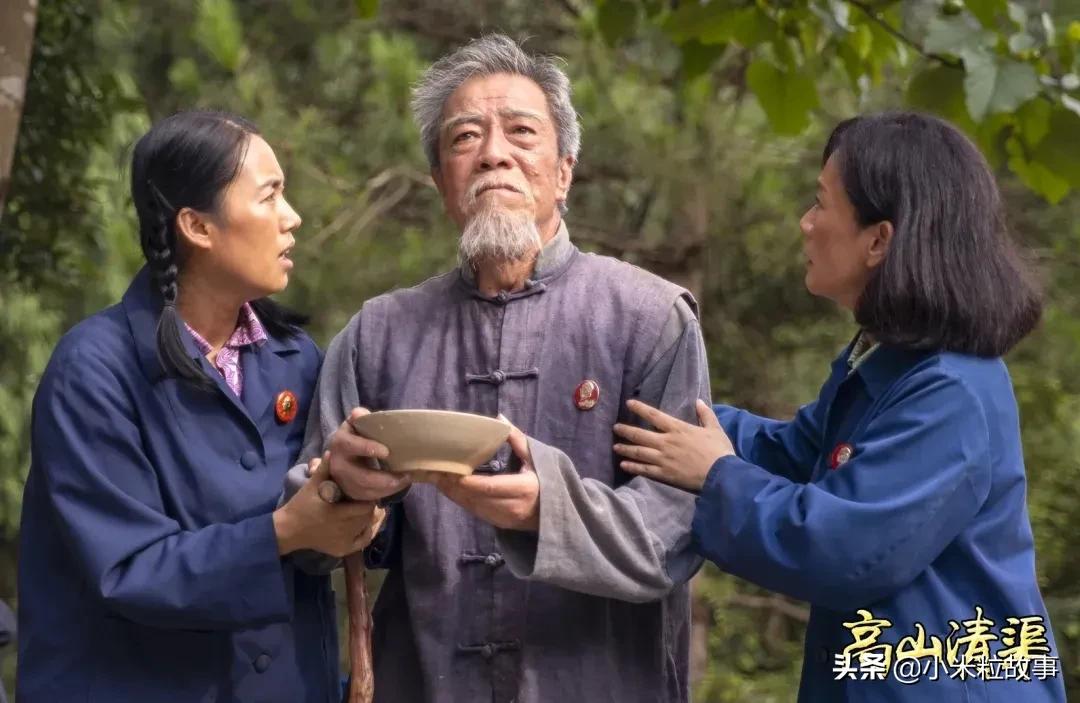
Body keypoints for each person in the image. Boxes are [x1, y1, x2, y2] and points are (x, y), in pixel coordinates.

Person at [289, 34, 709, 702]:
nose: (493, 154)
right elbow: (309, 542)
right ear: (440, 181)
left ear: (564, 170)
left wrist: (549, 509)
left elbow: (678, 529)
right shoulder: (379, 332)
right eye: (464, 138)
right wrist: (344, 492)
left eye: (521, 132)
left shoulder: (648, 317)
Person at [613, 112, 1067, 702]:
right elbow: (791, 453)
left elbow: (846, 549)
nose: (805, 224)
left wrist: (714, 475)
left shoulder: (954, 391)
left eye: (821, 204)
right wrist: (653, 409)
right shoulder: (888, 365)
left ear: (879, 240)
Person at [17, 110, 383, 703]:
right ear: (197, 226)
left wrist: (360, 493)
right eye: (270, 197)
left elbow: (325, 536)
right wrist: (284, 531)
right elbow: (129, 570)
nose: (293, 219)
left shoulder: (295, 359)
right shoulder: (92, 372)